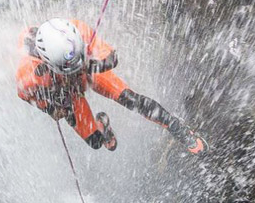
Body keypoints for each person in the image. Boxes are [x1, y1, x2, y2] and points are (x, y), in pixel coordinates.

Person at [16, 18, 206, 153]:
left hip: (87, 70)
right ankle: (102, 127)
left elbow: (112, 58)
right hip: (66, 92)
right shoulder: (29, 74)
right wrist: (50, 108)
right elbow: (27, 97)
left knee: (131, 99)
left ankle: (178, 128)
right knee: (95, 142)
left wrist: (90, 65)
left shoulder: (77, 30)